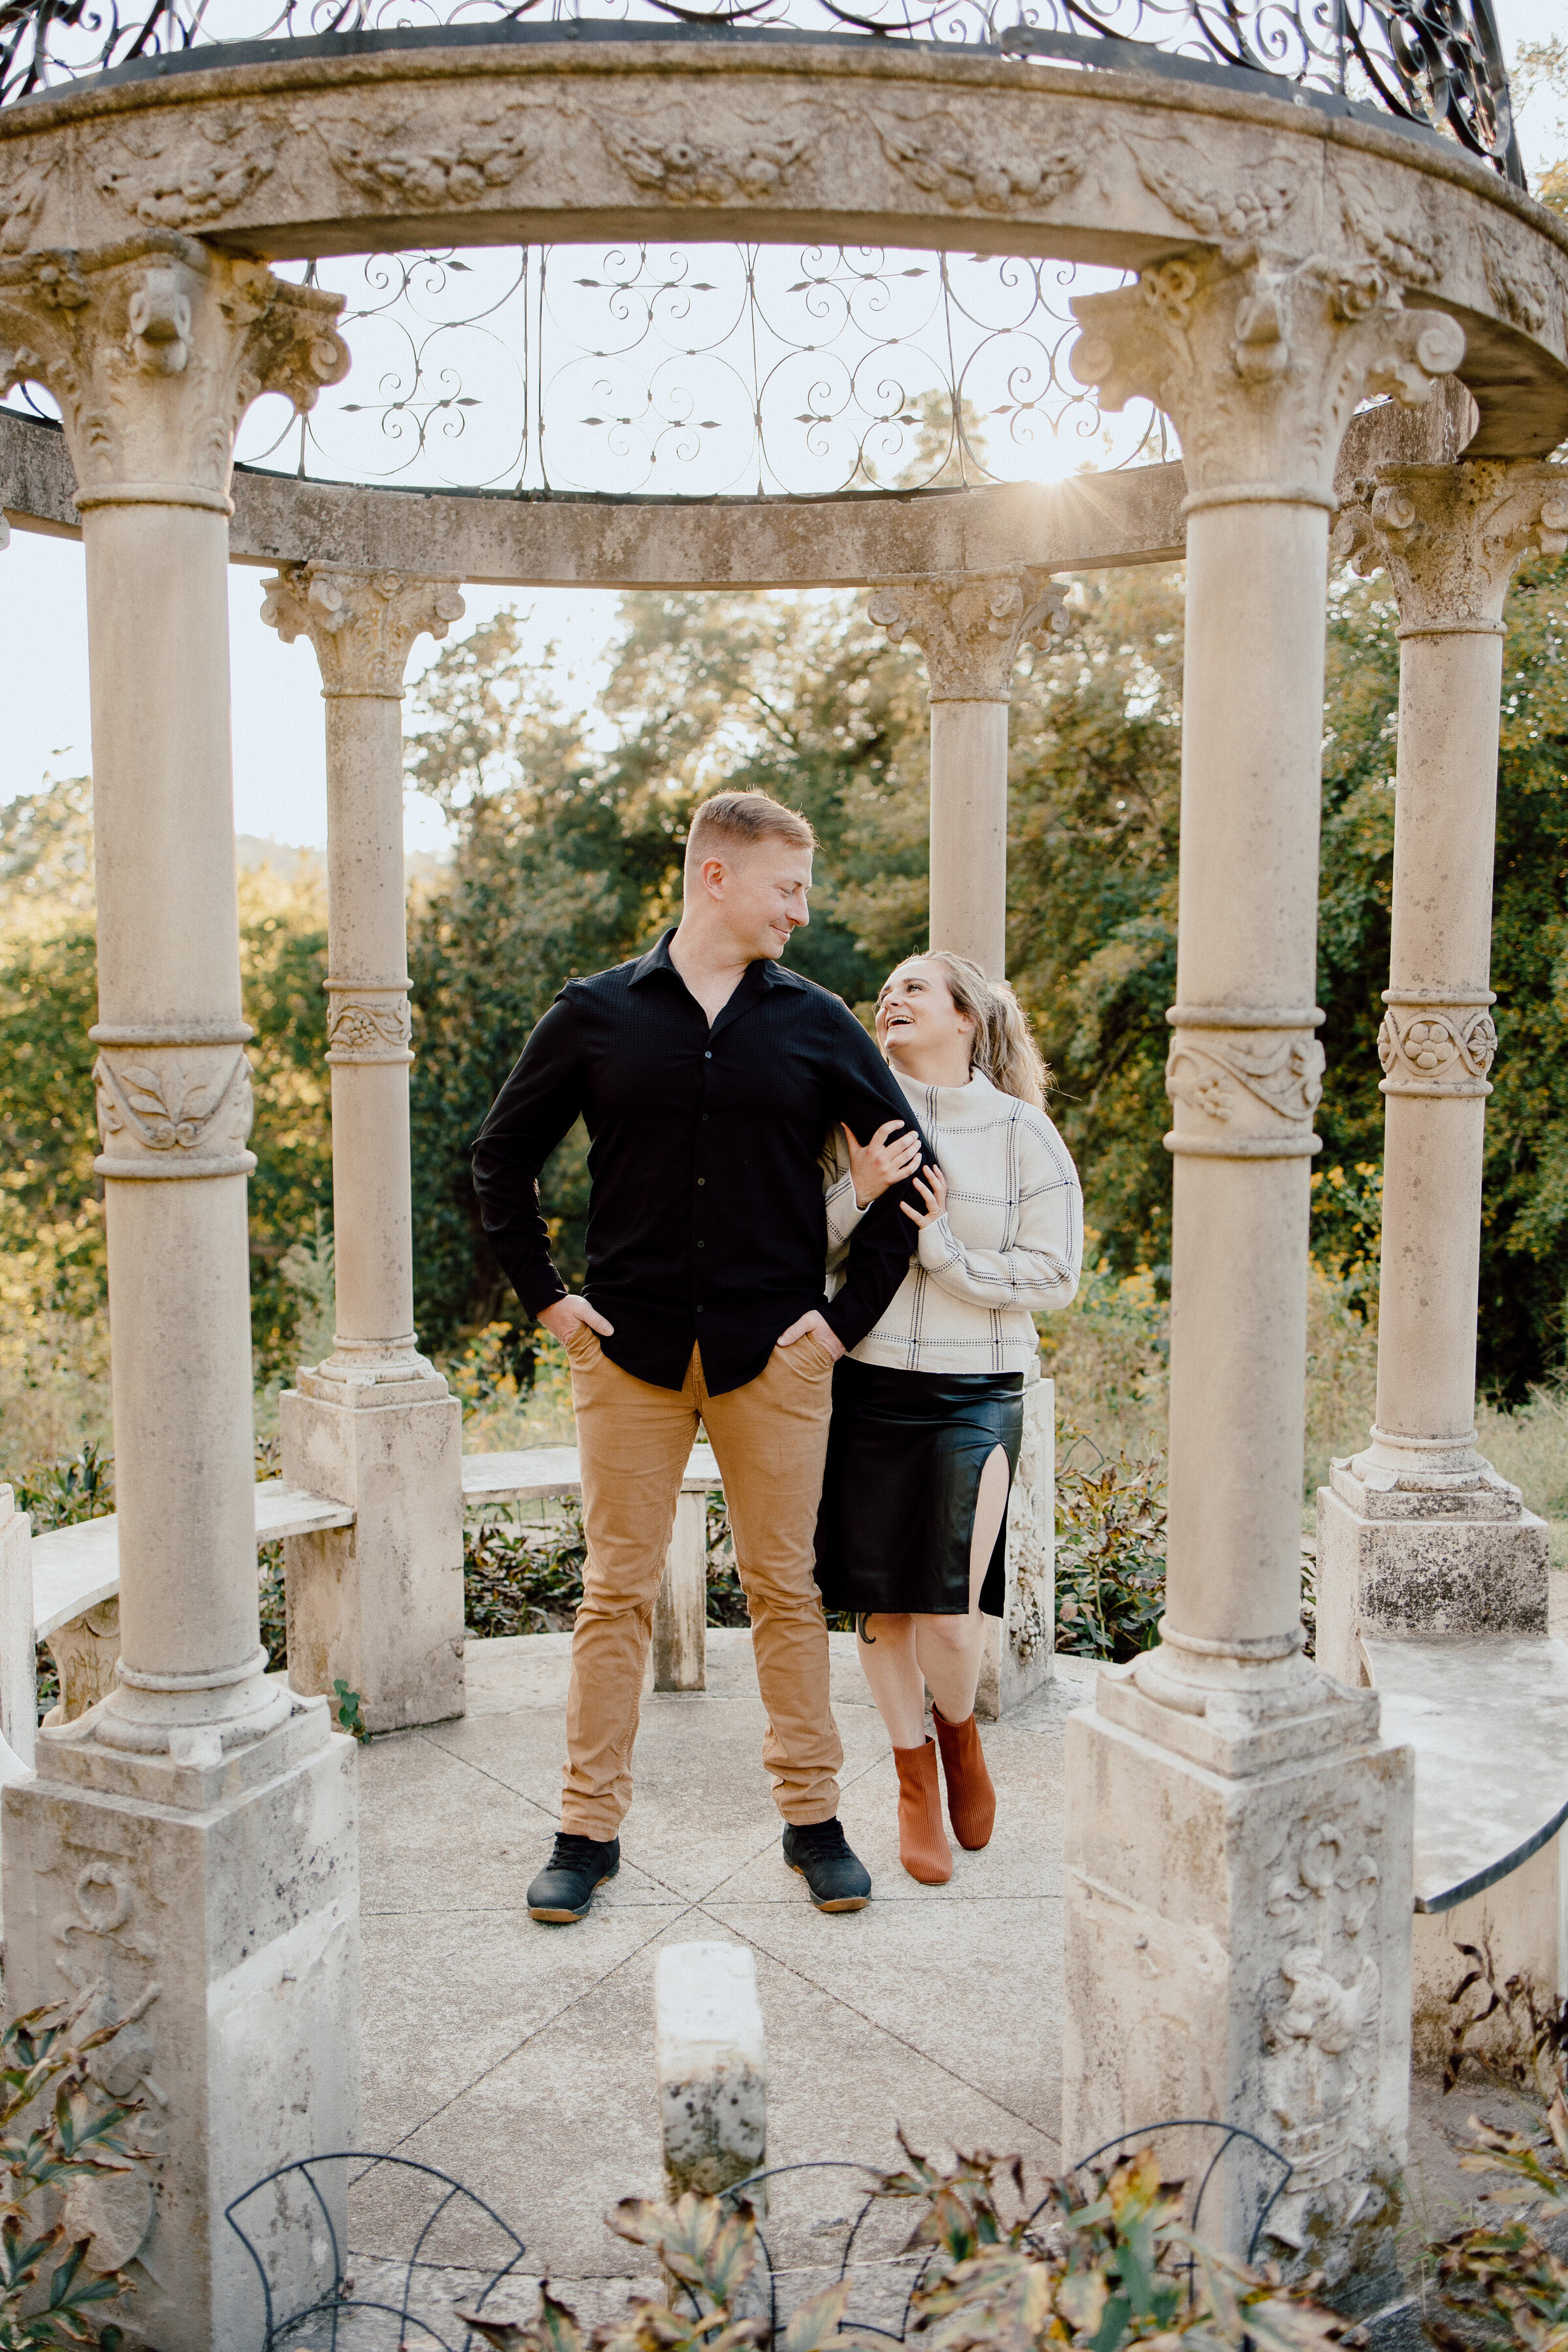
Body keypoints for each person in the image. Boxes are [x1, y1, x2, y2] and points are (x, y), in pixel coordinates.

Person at [470, 791, 929, 1924]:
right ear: (716, 877)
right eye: (788, 887)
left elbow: (912, 1181)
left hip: (776, 1356)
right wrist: (551, 1305)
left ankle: (815, 1823)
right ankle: (585, 1835)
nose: (802, 911)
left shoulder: (818, 1022)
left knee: (786, 1590)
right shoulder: (594, 1014)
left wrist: (838, 1323)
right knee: (613, 1593)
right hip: (625, 1357)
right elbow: (499, 1159)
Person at [815, 951, 1083, 1886]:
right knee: (884, 1610)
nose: (891, 998)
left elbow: (1057, 1273)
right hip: (869, 1386)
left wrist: (943, 1252)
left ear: (967, 1016)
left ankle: (960, 1734)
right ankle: (912, 1781)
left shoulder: (1021, 1132)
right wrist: (858, 1191)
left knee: (955, 1621)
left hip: (977, 1390)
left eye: (915, 987)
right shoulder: (851, 1116)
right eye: (885, 990)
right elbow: (793, 1246)